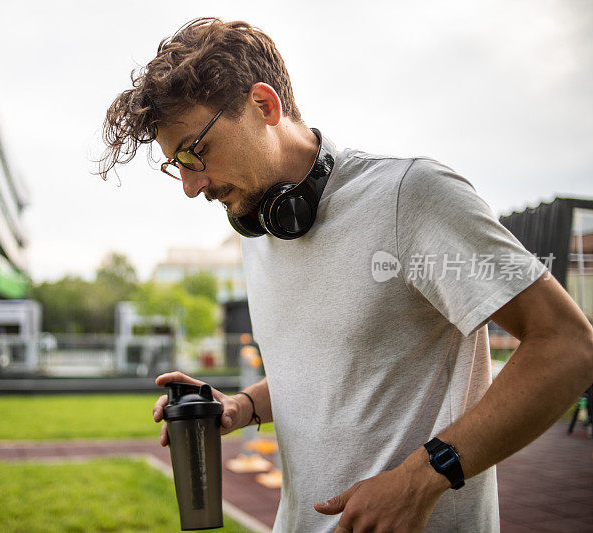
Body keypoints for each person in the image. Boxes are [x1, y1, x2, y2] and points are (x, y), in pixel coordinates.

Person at [99, 17, 593, 532]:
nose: (190, 185)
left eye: (193, 152)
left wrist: (421, 478)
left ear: (264, 106)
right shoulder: (259, 225)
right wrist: (242, 406)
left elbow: (568, 346)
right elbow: (329, 367)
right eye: (174, 165)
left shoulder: (413, 196)